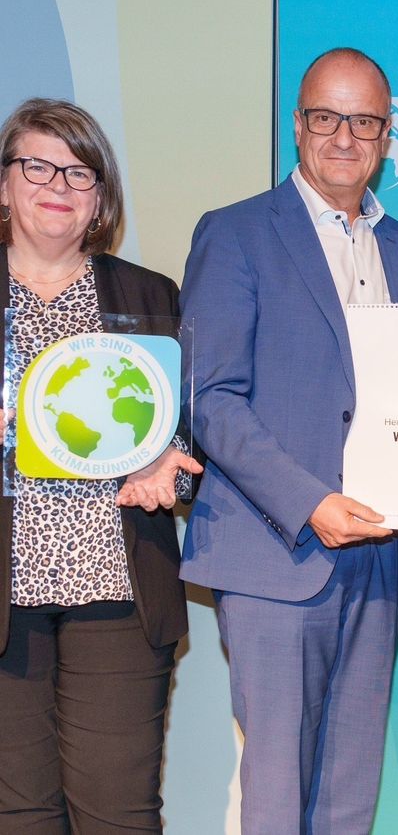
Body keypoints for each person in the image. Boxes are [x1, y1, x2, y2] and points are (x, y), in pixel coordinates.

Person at [178, 48, 398, 834]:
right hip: (275, 554)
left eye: (365, 122)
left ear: (388, 137)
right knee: (279, 795)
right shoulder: (238, 233)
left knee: (351, 796)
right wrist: (310, 500)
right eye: (327, 117)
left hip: (379, 560)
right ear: (298, 126)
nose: (345, 137)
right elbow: (210, 400)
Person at [0, 97, 202, 832]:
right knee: (16, 814)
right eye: (36, 165)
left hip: (117, 592)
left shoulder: (151, 297)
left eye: (80, 171)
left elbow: (196, 433)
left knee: (118, 814)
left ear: (102, 197)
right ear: (4, 184)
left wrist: (171, 473)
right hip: (5, 598)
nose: (58, 183)